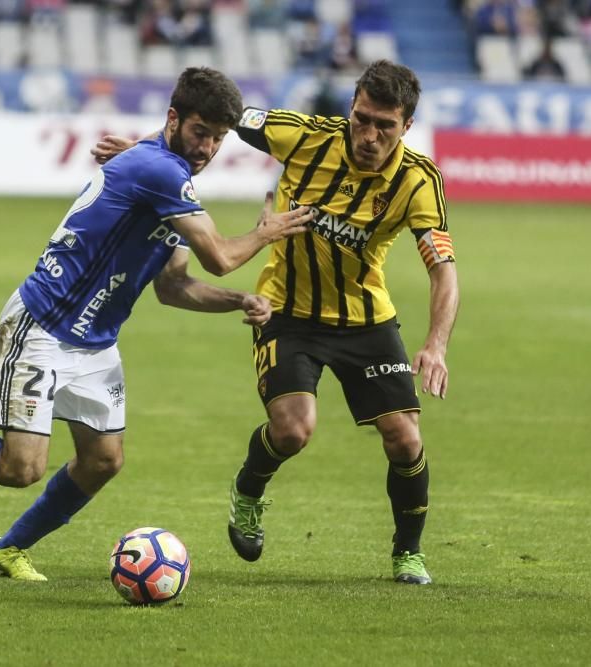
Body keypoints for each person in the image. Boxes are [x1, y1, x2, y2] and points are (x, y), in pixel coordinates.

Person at [0, 67, 312, 582]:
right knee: (19, 469)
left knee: (103, 461)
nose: (207, 148)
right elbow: (221, 256)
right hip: (42, 326)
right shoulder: (160, 172)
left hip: (95, 345)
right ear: (174, 118)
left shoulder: (166, 178)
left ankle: (9, 548)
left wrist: (237, 301)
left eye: (219, 139)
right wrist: (265, 233)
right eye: (201, 133)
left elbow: (172, 286)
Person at [92, 60, 460, 585]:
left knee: (404, 438)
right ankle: (249, 489)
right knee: (293, 430)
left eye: (385, 125)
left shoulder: (418, 181)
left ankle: (408, 552)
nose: (369, 134)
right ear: (350, 106)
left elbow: (444, 271)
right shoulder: (303, 136)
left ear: (407, 127)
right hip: (286, 311)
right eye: (361, 118)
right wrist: (144, 153)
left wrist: (437, 345)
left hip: (364, 319)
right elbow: (215, 114)